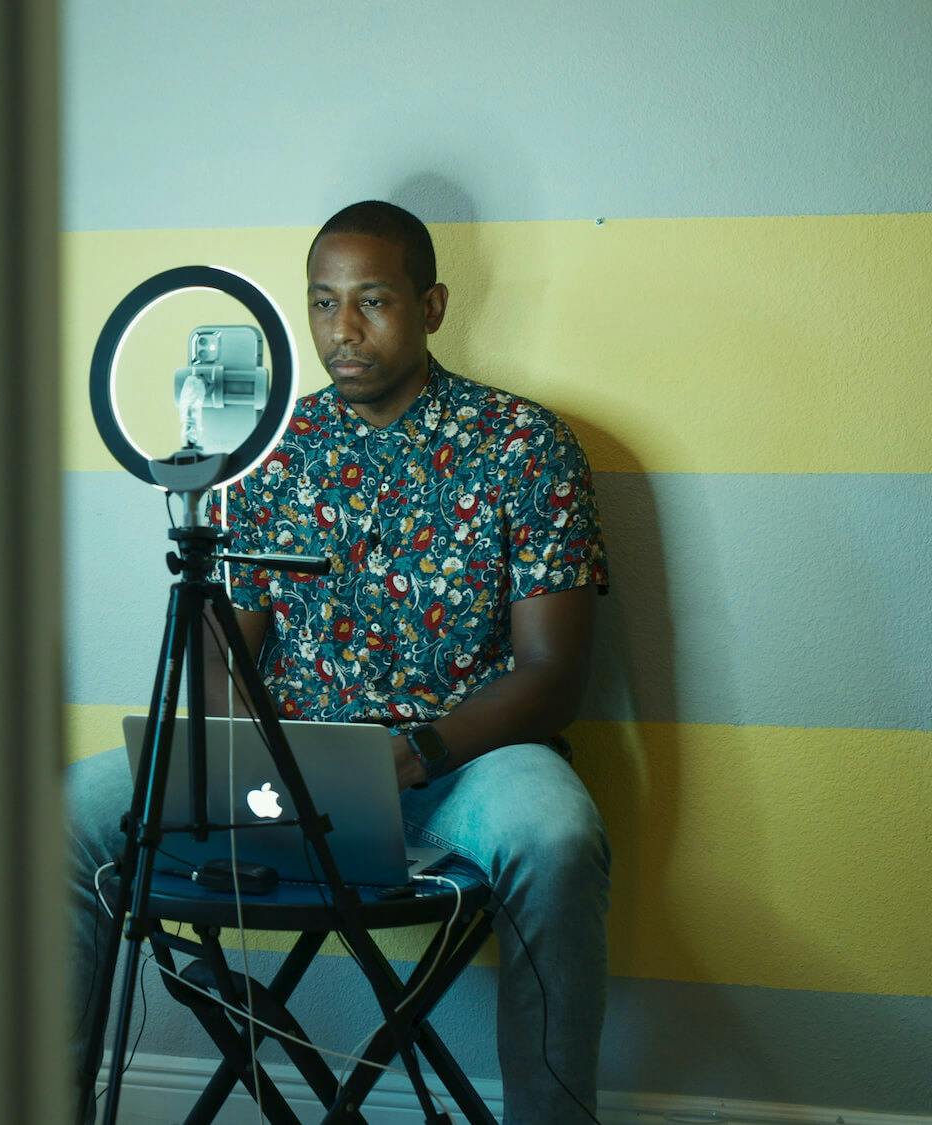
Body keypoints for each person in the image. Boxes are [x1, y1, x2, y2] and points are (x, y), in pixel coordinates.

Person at [67, 200, 611, 1123]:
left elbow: (553, 674)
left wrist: (415, 753)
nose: (341, 331)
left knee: (556, 835)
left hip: (463, 759)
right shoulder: (273, 451)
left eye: (373, 301)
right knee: (66, 815)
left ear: (432, 306)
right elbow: (218, 651)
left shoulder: (526, 443)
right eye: (323, 303)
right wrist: (258, 755)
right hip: (292, 762)